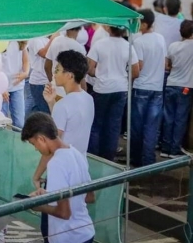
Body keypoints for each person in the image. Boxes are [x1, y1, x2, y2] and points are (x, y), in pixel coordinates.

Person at [22, 112, 95, 243]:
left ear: (41, 139)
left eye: (34, 144)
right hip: (86, 233)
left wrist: (38, 205)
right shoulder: (75, 153)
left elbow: (64, 213)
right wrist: (48, 195)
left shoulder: (56, 163)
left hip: (68, 237)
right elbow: (89, 197)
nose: (36, 149)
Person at [87, 25, 139, 161]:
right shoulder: (128, 46)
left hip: (102, 88)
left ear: (109, 29)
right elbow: (135, 72)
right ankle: (108, 158)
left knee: (96, 124)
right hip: (121, 89)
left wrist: (98, 74)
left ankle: (93, 156)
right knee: (113, 125)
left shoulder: (99, 44)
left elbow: (89, 68)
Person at [131, 9, 167, 166]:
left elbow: (138, 67)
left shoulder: (139, 42)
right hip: (158, 88)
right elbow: (165, 63)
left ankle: (136, 160)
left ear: (145, 24)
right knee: (152, 127)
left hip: (141, 87)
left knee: (137, 126)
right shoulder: (161, 39)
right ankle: (149, 160)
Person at [160, 20, 193, 158]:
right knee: (180, 118)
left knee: (168, 117)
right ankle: (174, 150)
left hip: (170, 83)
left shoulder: (173, 46)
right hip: (186, 86)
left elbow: (167, 65)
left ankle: (165, 148)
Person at [44, 24, 88, 93]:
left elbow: (47, 67)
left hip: (56, 90)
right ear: (79, 29)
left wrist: (53, 82)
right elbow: (81, 77)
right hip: (71, 92)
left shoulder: (55, 40)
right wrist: (84, 92)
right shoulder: (79, 48)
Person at [1, 41, 28, 128]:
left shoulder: (21, 41)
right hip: (2, 88)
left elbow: (26, 61)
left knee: (19, 123)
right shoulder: (0, 41)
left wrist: (26, 73)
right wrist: (1, 87)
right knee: (2, 122)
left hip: (17, 86)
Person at [26, 36, 52, 115]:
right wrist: (53, 38)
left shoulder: (48, 38)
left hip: (48, 80)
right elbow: (44, 53)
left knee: (40, 111)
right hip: (39, 82)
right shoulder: (36, 38)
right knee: (44, 113)